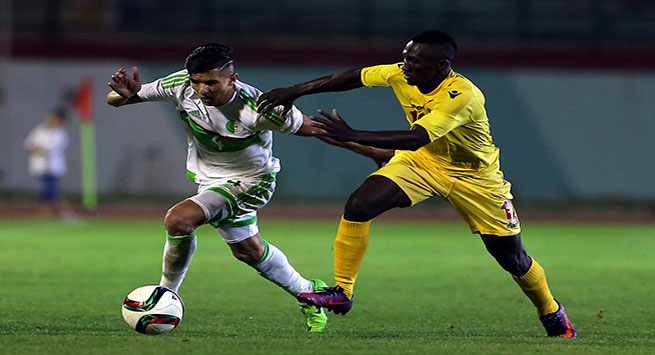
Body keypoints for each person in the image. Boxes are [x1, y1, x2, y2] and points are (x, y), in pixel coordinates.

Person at [257, 30, 577, 338]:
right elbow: (356, 77)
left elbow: (415, 137)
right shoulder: (402, 73)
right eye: (406, 58)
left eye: (415, 61)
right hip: (424, 162)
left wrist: (352, 135)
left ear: (442, 66)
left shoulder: (461, 96)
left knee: (512, 258)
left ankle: (551, 311)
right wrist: (296, 89)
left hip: (476, 179)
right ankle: (342, 292)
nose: (406, 66)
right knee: (359, 205)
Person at [106, 43, 329, 333]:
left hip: (252, 181)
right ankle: (311, 292)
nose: (202, 89)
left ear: (232, 79)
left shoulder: (258, 107)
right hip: (210, 181)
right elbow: (117, 99)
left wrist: (370, 147)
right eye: (196, 82)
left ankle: (164, 295)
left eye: (211, 82)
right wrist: (124, 95)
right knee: (249, 252)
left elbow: (316, 128)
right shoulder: (180, 85)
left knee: (179, 220)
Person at [24, 108, 70, 217]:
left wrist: (38, 148)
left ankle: (49, 212)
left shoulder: (60, 134)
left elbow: (49, 149)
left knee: (50, 190)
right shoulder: (39, 130)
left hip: (53, 167)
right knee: (46, 190)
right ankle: (51, 212)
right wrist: (37, 148)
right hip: (39, 165)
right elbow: (28, 145)